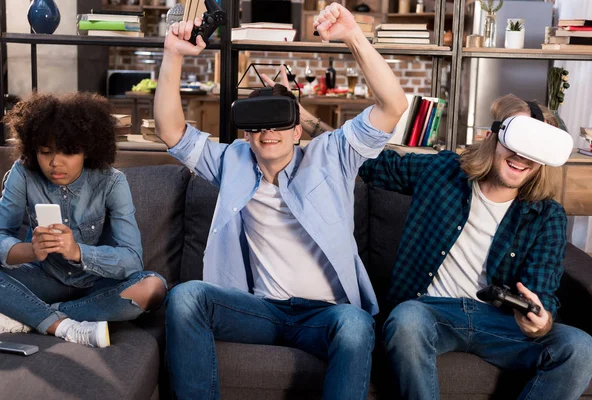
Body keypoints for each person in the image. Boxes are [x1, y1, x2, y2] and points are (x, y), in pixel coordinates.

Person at [154, 2, 407, 398]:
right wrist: (172, 54)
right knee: (185, 297)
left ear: (297, 130)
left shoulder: (332, 155)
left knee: (357, 324)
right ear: (245, 133)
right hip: (261, 311)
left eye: (278, 122)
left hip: (327, 314)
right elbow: (171, 131)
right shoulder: (233, 161)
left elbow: (393, 105)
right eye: (256, 124)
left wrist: (353, 35)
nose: (266, 132)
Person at [358, 94, 592, 399]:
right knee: (405, 321)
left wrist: (539, 323)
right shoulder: (443, 172)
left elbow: (543, 295)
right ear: (493, 137)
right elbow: (363, 160)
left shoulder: (546, 215)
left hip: (501, 322)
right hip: (430, 312)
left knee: (581, 347)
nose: (522, 156)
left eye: (535, 150)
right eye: (517, 140)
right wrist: (303, 125)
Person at [0, 92, 167, 348]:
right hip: (44, 278)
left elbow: (132, 260)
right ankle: (62, 326)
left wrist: (78, 252)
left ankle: (32, 315)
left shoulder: (111, 182)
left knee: (152, 289)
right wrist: (31, 251)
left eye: (68, 152)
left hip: (97, 286)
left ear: (87, 150)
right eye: (45, 152)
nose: (55, 163)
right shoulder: (23, 173)